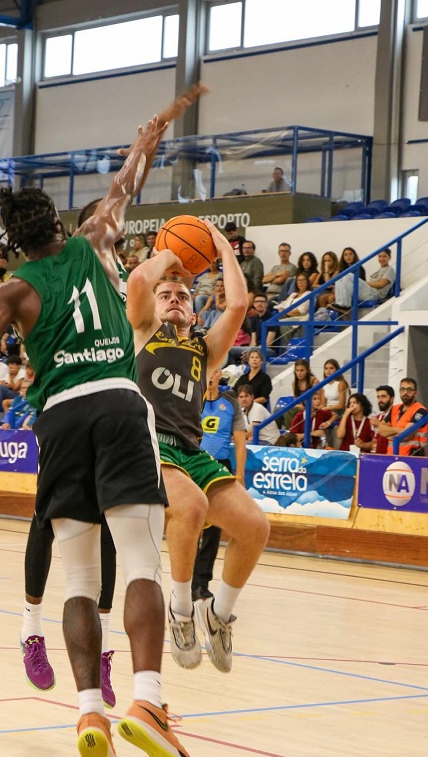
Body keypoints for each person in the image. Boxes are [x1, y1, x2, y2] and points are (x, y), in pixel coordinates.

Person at [0, 108, 202, 757]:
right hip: (119, 404)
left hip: (58, 420)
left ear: (14, 243)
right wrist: (146, 141)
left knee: (81, 580)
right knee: (142, 560)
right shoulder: (93, 243)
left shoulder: (14, 288)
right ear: (57, 226)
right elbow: (123, 188)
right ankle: (146, 699)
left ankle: (91, 714)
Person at [129, 216, 270, 676]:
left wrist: (219, 247)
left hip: (190, 450)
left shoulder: (205, 350)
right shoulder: (144, 330)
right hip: (147, 444)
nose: (172, 298)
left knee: (255, 525)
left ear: (193, 313)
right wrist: (171, 256)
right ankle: (182, 609)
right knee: (188, 508)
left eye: (182, 296)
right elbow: (138, 281)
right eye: (165, 294)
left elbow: (238, 304)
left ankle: (219, 614)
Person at [192, 368, 247, 601]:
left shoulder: (231, 405)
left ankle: (202, 582)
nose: (211, 377)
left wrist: (240, 476)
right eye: (208, 373)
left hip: (220, 467)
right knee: (191, 524)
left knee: (213, 528)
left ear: (220, 376)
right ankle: (186, 581)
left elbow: (241, 442)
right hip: (194, 463)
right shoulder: (193, 399)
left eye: (215, 373)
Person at [376, 377, 428, 456]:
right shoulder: (394, 409)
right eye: (402, 389)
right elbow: (380, 430)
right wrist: (399, 430)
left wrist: (389, 434)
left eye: (409, 390)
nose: (405, 392)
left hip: (411, 458)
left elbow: (407, 435)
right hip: (391, 456)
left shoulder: (420, 410)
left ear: (415, 393)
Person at [332, 247, 395, 312]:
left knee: (348, 275)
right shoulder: (378, 271)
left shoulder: (390, 270)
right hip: (369, 291)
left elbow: (381, 284)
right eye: (380, 256)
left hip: (375, 294)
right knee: (340, 277)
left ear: (389, 257)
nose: (382, 258)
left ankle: (345, 305)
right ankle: (339, 303)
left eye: (384, 256)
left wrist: (365, 283)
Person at [322, 358, 350, 447]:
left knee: (333, 412)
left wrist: (327, 408)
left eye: (331, 368)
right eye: (326, 368)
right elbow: (323, 403)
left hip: (340, 411)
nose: (328, 371)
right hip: (329, 410)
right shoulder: (324, 385)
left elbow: (342, 405)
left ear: (337, 370)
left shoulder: (341, 383)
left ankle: (328, 423)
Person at [369, 384, 394, 454]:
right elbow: (374, 440)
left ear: (391, 399)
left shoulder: (396, 416)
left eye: (383, 397)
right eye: (378, 397)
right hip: (377, 457)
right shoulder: (378, 417)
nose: (380, 400)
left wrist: (379, 424)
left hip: (390, 457)